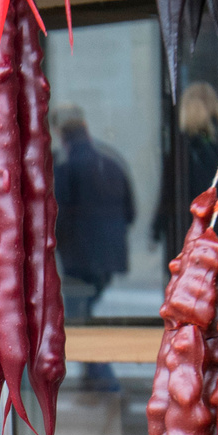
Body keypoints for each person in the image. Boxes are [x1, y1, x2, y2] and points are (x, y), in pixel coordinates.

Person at [53, 106, 136, 390]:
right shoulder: (110, 160)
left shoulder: (65, 165)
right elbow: (131, 211)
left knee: (78, 315)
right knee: (82, 311)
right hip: (108, 256)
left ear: (60, 134)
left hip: (79, 257)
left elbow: (58, 215)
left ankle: (102, 377)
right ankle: (96, 376)